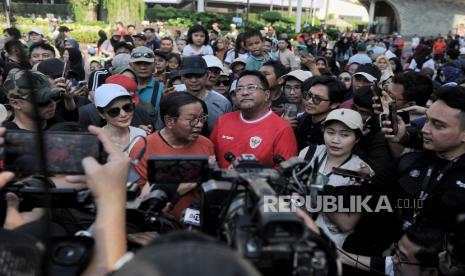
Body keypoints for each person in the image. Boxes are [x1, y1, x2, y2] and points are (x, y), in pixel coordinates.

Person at [298, 108, 374, 247]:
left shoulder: (360, 172)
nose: (335, 140)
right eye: (330, 132)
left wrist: (317, 191)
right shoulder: (309, 153)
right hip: (297, 230)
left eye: (344, 135)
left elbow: (347, 224)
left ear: (356, 138)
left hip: (328, 243)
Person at [210, 70, 297, 168]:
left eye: (251, 88)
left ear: (267, 95)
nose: (245, 93)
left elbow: (285, 174)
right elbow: (211, 158)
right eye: (239, 89)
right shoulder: (223, 121)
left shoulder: (282, 129)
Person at [130, 92, 215, 187]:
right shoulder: (143, 148)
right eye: (192, 119)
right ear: (169, 121)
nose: (200, 125)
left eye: (202, 118)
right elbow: (138, 193)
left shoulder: (206, 144)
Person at [180, 56, 232, 131]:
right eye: (188, 76)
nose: (193, 80)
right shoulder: (173, 100)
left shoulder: (223, 104)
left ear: (207, 75)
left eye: (198, 75)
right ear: (182, 77)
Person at [295, 75, 346, 151]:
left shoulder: (335, 131)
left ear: (334, 104)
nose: (309, 101)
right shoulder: (303, 118)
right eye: (309, 95)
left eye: (317, 99)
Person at [94, 83, 146, 155]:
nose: (123, 114)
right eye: (114, 111)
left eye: (127, 107)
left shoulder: (141, 135)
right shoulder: (96, 141)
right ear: (101, 114)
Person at [129, 46, 164, 115]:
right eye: (138, 63)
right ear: (130, 65)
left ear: (154, 65)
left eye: (147, 63)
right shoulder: (122, 88)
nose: (143, 67)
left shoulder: (162, 89)